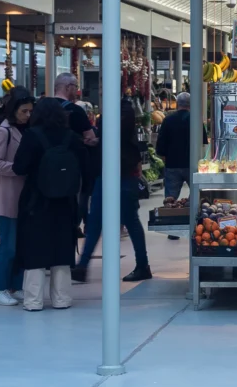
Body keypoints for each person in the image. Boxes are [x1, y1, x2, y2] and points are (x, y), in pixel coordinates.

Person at [12, 97, 86, 311]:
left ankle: (33, 300)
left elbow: (19, 167)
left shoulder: (32, 136)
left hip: (35, 202)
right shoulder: (72, 138)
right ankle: (62, 299)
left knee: (35, 248)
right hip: (65, 202)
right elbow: (85, 167)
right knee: (62, 248)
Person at [73, 100, 152, 283]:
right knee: (96, 220)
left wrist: (100, 137)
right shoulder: (117, 109)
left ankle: (142, 265)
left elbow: (120, 133)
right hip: (110, 173)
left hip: (123, 173)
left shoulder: (124, 109)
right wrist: (98, 140)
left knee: (128, 220)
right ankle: (82, 266)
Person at [0, 87, 34, 307]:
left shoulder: (26, 130)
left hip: (23, 196)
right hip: (7, 196)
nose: (27, 115)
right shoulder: (3, 131)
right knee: (8, 246)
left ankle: (16, 286)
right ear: (14, 109)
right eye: (24, 111)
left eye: (30, 111)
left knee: (22, 245)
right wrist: (18, 168)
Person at [155, 92, 206, 240]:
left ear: (177, 104)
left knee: (171, 196)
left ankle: (173, 229)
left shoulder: (168, 120)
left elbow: (161, 143)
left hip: (173, 164)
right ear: (191, 105)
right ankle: (195, 224)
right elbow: (203, 142)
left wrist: (164, 156)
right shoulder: (196, 120)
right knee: (196, 193)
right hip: (192, 164)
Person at [54, 73, 97, 234]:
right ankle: (74, 225)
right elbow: (90, 138)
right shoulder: (75, 110)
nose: (77, 91)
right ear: (68, 87)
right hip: (74, 163)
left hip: (47, 165)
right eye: (75, 87)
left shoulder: (41, 107)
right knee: (80, 195)